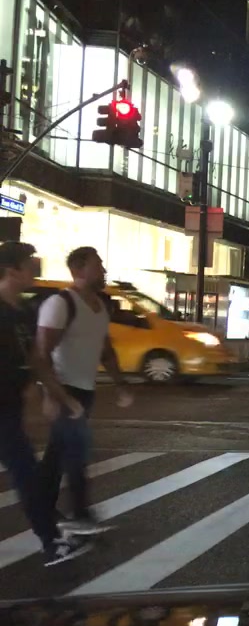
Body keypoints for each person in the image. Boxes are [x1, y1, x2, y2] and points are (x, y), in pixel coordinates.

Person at [0, 242, 92, 565]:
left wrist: (54, 395)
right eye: (29, 262)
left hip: (9, 407)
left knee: (27, 472)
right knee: (26, 472)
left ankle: (51, 536)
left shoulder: (23, 312)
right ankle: (51, 540)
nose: (36, 266)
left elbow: (36, 360)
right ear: (11, 270)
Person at [36, 246, 133, 536]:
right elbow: (41, 354)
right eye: (97, 265)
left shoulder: (100, 307)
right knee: (76, 451)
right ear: (79, 269)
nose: (103, 270)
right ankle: (80, 513)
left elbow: (106, 350)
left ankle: (41, 507)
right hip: (63, 389)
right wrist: (53, 395)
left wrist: (120, 384)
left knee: (57, 453)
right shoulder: (60, 304)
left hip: (85, 389)